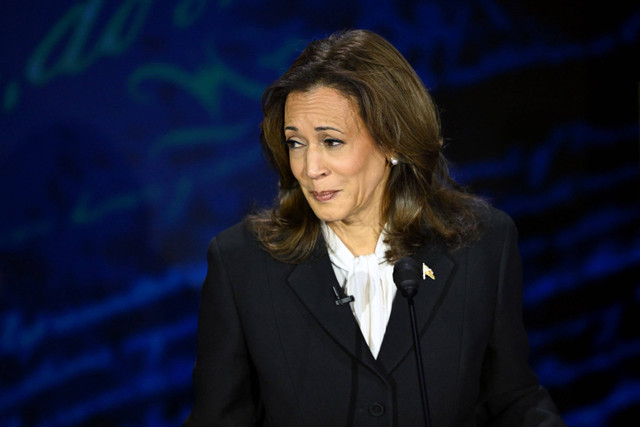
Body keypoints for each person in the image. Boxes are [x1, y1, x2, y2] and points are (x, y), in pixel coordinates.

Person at [184, 29, 566, 426]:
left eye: (331, 142)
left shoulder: (482, 243)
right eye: (295, 143)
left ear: (393, 141)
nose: (310, 168)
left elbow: (513, 398)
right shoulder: (241, 263)